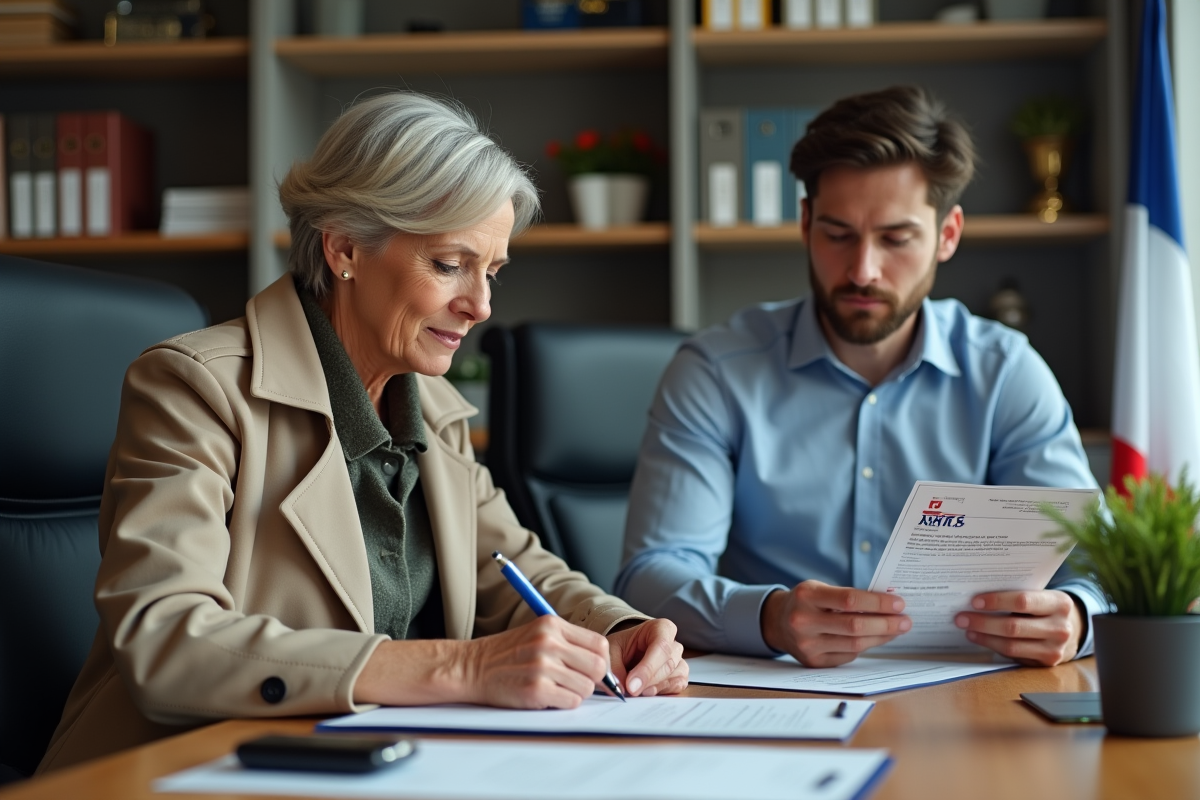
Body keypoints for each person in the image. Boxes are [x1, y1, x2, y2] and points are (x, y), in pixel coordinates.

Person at [39, 93, 687, 774]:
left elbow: (513, 571)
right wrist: (460, 667)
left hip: (372, 767)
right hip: (184, 771)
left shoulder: (432, 409)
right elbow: (167, 640)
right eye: (449, 264)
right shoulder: (193, 387)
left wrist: (618, 630)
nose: (481, 305)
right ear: (345, 246)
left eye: (491, 271)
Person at [615, 86, 1105, 670]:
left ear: (947, 235)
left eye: (896, 239)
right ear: (804, 223)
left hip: (963, 700)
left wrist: (1076, 617)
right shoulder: (715, 372)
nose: (863, 270)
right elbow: (650, 575)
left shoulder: (1006, 373)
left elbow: (1100, 565)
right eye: (838, 233)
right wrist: (770, 617)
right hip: (765, 694)